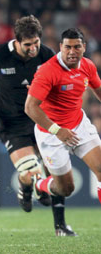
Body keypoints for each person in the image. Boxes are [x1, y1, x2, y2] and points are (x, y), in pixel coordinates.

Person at [0, 15, 77, 236]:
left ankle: (60, 226)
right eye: (28, 45)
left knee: (54, 171)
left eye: (36, 42)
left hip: (42, 121)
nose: (33, 48)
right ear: (16, 41)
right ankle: (26, 187)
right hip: (13, 125)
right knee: (32, 172)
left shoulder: (47, 55)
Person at [25, 28, 101, 207]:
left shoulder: (88, 66)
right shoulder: (48, 71)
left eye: (76, 47)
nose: (72, 52)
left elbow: (98, 89)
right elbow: (30, 107)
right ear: (60, 47)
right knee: (66, 189)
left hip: (79, 125)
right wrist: (57, 131)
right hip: (51, 133)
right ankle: (40, 183)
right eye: (67, 47)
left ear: (84, 47)